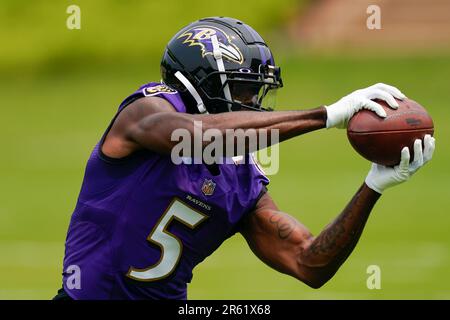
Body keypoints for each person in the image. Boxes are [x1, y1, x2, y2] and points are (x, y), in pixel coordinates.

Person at [54, 17, 435, 300]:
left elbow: (307, 263)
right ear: (199, 81)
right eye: (243, 90)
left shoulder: (239, 178)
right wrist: (325, 115)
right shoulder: (145, 111)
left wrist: (373, 186)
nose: (253, 103)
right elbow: (195, 138)